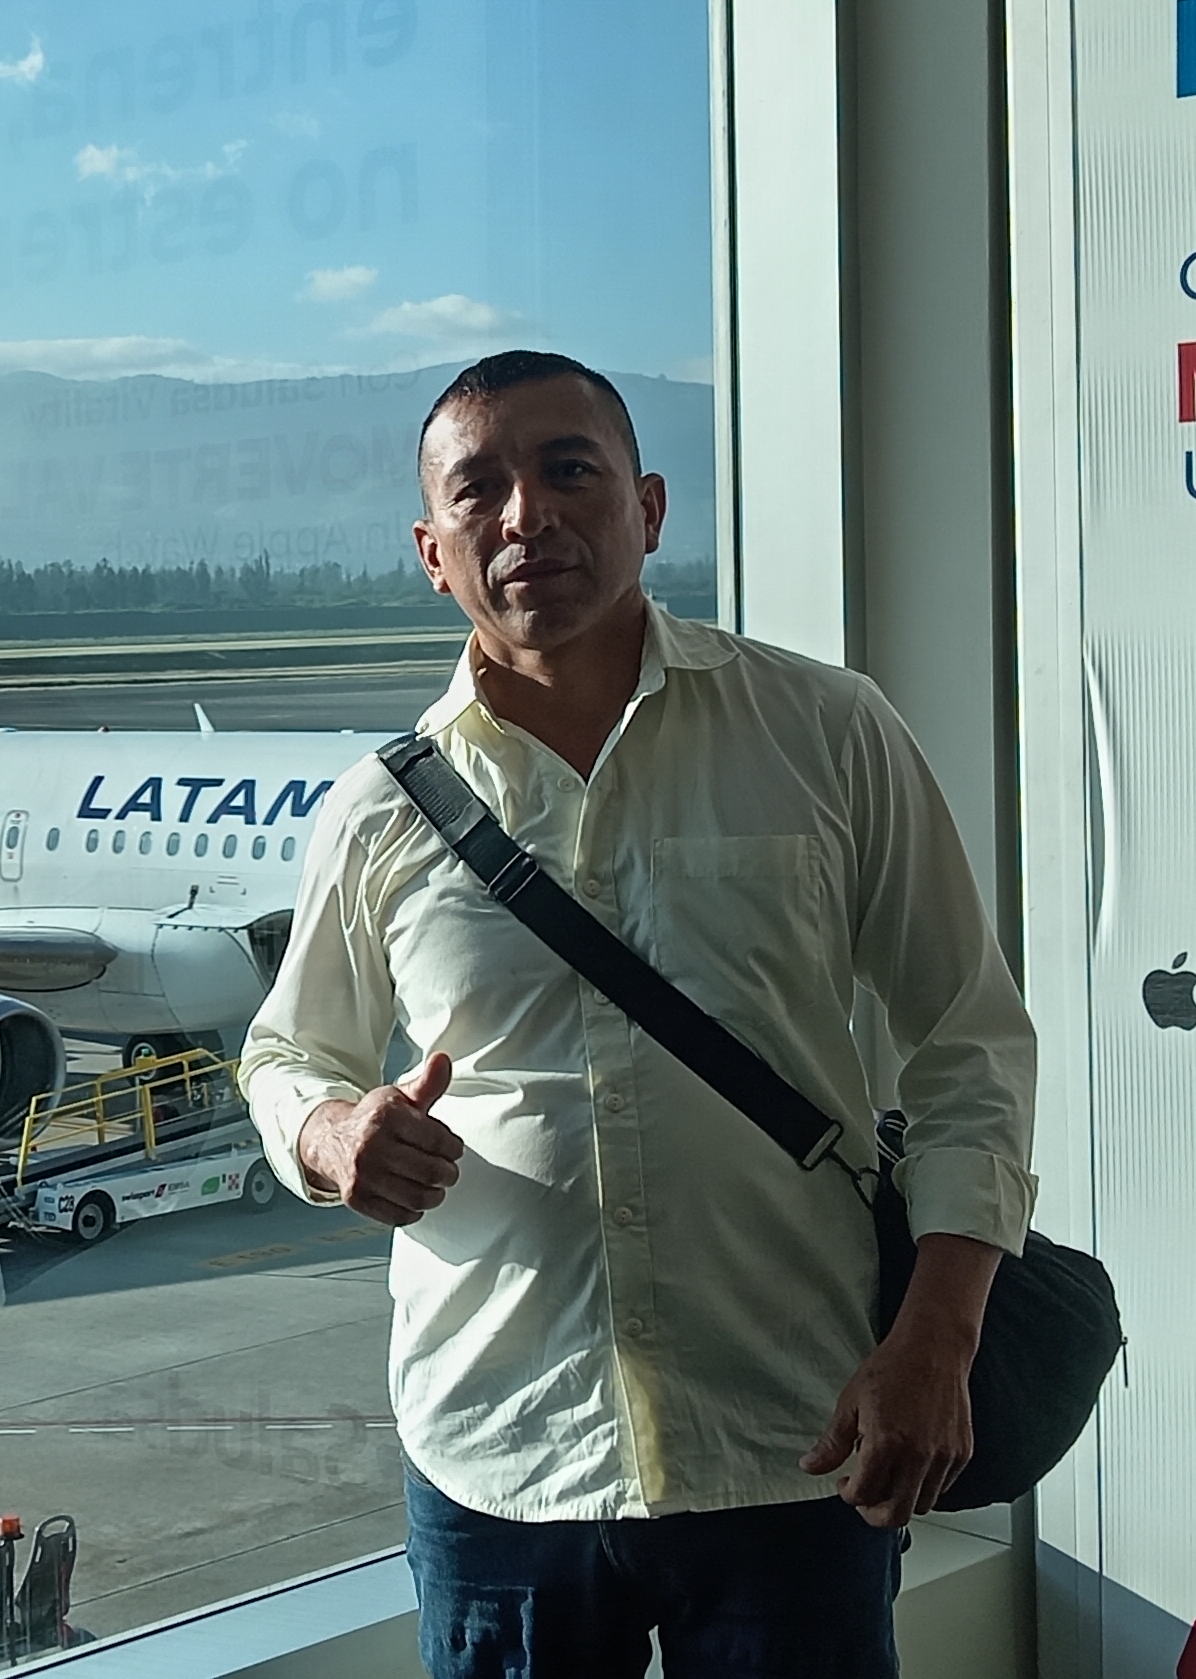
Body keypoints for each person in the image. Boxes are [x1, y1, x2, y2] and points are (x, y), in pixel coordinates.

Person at [237, 351, 1037, 1678]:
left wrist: (938, 1337)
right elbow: (286, 1051)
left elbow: (971, 1042)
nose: (527, 516)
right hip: (501, 1454)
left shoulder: (825, 731)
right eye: (478, 490)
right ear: (432, 553)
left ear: (649, 508)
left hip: (796, 1437)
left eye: (570, 470)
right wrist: (326, 1132)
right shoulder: (380, 811)